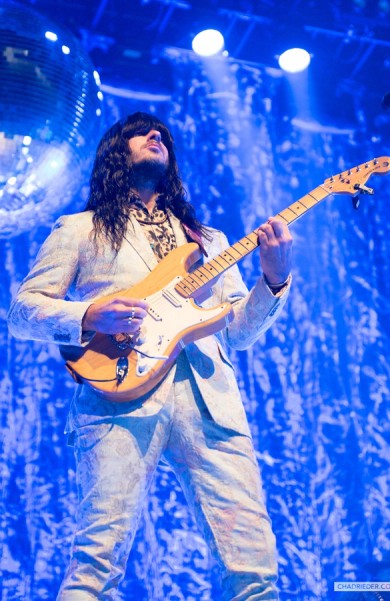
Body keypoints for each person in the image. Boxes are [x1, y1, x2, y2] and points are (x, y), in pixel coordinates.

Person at [8, 112, 293, 600]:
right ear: (115, 152)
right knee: (97, 562)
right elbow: (22, 312)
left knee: (254, 566)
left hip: (211, 402)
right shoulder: (80, 229)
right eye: (140, 132)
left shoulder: (209, 240)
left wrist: (274, 279)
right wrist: (90, 314)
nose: (155, 134)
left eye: (161, 133)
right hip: (117, 391)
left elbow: (239, 332)